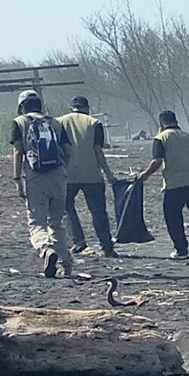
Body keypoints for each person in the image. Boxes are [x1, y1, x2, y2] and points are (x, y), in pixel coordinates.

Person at [127, 110, 189, 260]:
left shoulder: (161, 138)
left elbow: (157, 161)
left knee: (174, 218)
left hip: (173, 185)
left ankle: (181, 250)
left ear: (161, 123)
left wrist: (144, 175)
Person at [6, 89, 76, 278]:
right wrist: (62, 171)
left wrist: (18, 181)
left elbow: (18, 152)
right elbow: (68, 151)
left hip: (35, 177)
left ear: (22, 107)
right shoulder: (55, 122)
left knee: (37, 223)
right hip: (58, 176)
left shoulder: (19, 123)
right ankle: (66, 264)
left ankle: (46, 250)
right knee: (57, 222)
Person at [57, 96, 118, 258]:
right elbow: (98, 151)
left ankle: (78, 241)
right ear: (87, 108)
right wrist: (109, 173)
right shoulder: (94, 123)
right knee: (98, 211)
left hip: (67, 174)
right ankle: (107, 246)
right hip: (92, 174)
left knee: (66, 207)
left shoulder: (59, 122)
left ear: (72, 108)